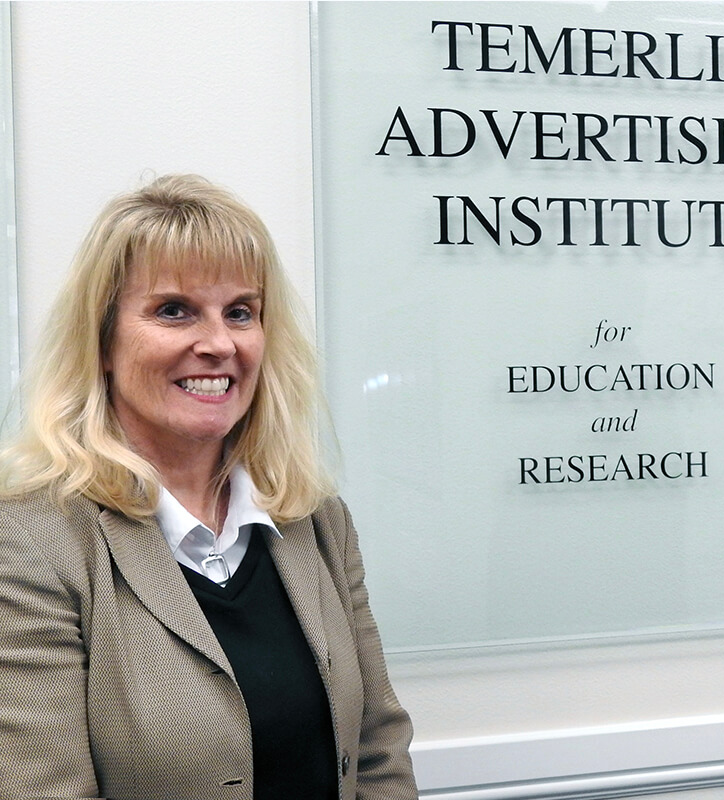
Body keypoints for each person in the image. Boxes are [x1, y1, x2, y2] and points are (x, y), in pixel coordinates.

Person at [0, 174, 417, 799]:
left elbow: (378, 753)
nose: (219, 344)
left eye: (241, 313)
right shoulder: (31, 540)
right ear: (103, 341)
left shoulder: (316, 520)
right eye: (174, 310)